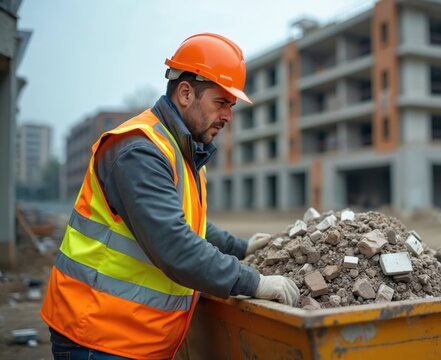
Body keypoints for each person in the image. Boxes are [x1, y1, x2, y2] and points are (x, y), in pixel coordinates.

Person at [40, 33, 299, 360]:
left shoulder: (183, 151)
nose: (228, 117)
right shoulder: (139, 150)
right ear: (186, 93)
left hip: (129, 337)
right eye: (221, 103)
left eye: (231, 107)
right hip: (97, 335)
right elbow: (174, 244)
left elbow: (190, 224)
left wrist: (241, 247)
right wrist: (253, 282)